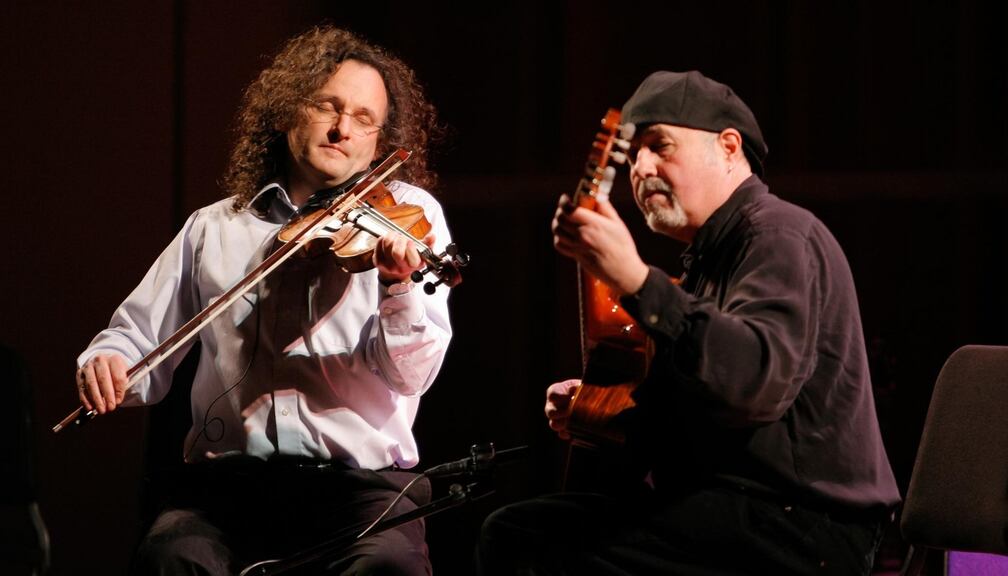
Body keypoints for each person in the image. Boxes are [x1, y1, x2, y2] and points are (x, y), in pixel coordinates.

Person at [477, 70, 901, 575]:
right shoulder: (708, 266)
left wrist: (636, 280)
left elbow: (753, 386)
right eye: (634, 153)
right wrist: (600, 412)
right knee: (532, 531)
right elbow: (705, 413)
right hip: (741, 516)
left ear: (727, 147)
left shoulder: (779, 235)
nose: (641, 167)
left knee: (529, 542)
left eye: (660, 146)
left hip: (803, 527)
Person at [75, 25, 452, 575]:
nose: (343, 128)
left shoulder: (407, 217)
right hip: (227, 489)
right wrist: (106, 362)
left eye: (364, 119)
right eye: (328, 106)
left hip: (359, 490)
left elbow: (411, 376)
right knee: (170, 557)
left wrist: (398, 287)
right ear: (284, 114)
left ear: (377, 142)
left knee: (389, 567)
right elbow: (136, 339)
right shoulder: (214, 228)